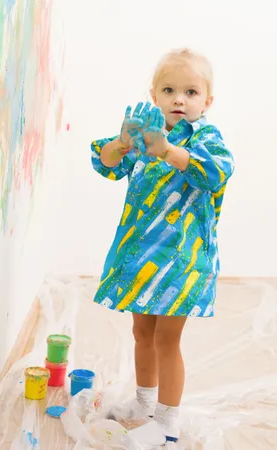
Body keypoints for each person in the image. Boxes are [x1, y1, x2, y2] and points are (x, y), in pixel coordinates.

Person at [90, 48, 235, 446]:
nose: (179, 99)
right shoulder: (145, 133)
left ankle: (168, 421)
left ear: (207, 101)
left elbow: (215, 172)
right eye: (169, 90)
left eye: (191, 92)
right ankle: (144, 403)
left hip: (182, 263)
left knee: (167, 340)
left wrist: (166, 149)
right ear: (153, 95)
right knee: (142, 332)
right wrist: (122, 142)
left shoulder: (206, 138)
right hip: (142, 258)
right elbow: (104, 163)